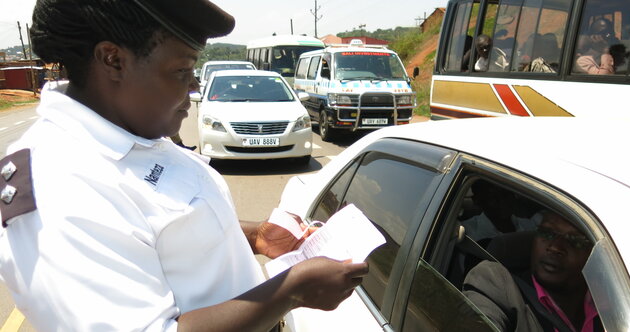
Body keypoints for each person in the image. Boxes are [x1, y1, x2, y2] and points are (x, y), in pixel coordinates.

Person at [0, 0, 368, 331]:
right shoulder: (57, 186)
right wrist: (291, 291)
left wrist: (254, 235)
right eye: (181, 71)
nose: (193, 86)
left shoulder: (133, 128)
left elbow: (156, 229)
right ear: (113, 60)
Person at [463, 211, 603, 332]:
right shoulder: (495, 283)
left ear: (595, 255)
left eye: (574, 241)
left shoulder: (613, 297)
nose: (555, 247)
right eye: (547, 233)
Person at [460, 180, 538, 242]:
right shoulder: (466, 233)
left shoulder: (529, 226)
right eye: (493, 198)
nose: (502, 202)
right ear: (478, 201)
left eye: (506, 194)